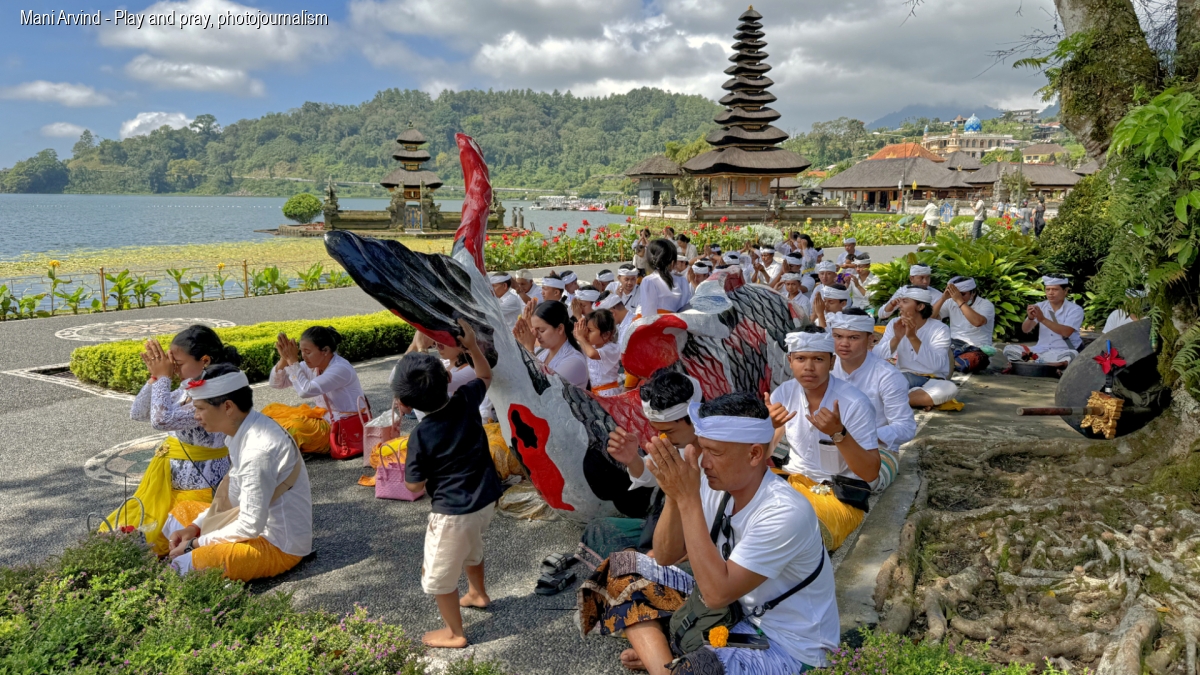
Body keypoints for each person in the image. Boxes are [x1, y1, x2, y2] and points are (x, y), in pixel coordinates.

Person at [580, 392, 838, 674]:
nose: (704, 462)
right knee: (621, 568)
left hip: (786, 644)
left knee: (698, 670)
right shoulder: (713, 481)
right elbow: (665, 555)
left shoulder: (784, 511)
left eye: (715, 452)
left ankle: (668, 659)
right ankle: (667, 665)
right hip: (728, 612)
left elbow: (717, 594)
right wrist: (674, 496)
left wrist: (688, 499)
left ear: (754, 454)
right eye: (703, 448)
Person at [392, 319, 502, 649]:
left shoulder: (421, 435)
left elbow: (414, 486)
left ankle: (455, 633)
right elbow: (485, 375)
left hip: (453, 512)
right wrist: (472, 347)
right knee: (472, 549)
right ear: (450, 378)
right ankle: (478, 593)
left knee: (439, 576)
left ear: (405, 403)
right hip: (486, 497)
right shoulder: (465, 399)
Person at [164, 363, 312, 582]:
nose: (196, 416)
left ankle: (182, 557)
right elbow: (233, 498)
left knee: (183, 565)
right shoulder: (244, 430)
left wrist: (194, 544)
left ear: (228, 407)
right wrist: (194, 529)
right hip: (250, 524)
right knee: (180, 514)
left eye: (200, 408)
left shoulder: (258, 450)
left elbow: (250, 526)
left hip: (277, 545)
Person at [114, 326, 239, 554]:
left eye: (178, 364)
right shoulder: (185, 390)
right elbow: (138, 412)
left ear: (205, 361)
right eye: (172, 363)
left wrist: (164, 378)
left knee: (157, 538)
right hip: (170, 487)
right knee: (128, 531)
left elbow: (161, 420)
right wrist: (155, 378)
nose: (173, 369)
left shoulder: (214, 395)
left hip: (202, 491)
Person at [767, 326, 881, 550]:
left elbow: (869, 473)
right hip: (793, 479)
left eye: (818, 359)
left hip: (839, 491)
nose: (808, 367)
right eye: (800, 358)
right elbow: (765, 454)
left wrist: (838, 433)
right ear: (790, 361)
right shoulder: (783, 393)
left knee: (805, 531)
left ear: (831, 362)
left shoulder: (854, 403)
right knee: (732, 494)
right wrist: (767, 428)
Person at [829, 311, 915, 489]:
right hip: (828, 442)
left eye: (853, 337)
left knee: (858, 482)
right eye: (838, 336)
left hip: (875, 448)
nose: (844, 343)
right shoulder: (825, 368)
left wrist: (858, 438)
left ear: (870, 340)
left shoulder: (887, 376)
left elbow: (906, 428)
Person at [265, 326, 368, 458]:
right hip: (323, 418)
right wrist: (284, 359)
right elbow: (276, 383)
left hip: (342, 427)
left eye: (307, 352)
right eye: (301, 351)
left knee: (294, 428)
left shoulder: (341, 368)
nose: (303, 356)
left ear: (325, 351)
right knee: (271, 411)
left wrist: (292, 361)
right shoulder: (312, 365)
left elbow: (305, 391)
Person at [873, 287, 958, 410]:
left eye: (905, 301)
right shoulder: (895, 324)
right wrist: (896, 338)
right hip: (902, 376)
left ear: (920, 307)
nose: (899, 305)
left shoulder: (940, 329)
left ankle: (893, 400)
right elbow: (877, 356)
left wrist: (912, 337)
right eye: (900, 301)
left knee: (949, 388)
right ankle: (914, 399)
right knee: (873, 379)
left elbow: (936, 366)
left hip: (931, 379)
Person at [1003, 276, 1084, 367]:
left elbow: (1066, 332)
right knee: (1009, 349)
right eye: (1048, 289)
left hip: (1063, 351)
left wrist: (1043, 319)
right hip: (1040, 350)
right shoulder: (1040, 306)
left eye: (1055, 289)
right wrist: (1030, 318)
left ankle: (1031, 363)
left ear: (1065, 291)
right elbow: (1025, 330)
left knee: (1072, 355)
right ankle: (1046, 364)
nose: (1050, 293)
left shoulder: (1075, 310)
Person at [514, 300, 590, 389]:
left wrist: (528, 349)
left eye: (541, 330)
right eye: (534, 329)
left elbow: (545, 389)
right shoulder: (543, 354)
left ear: (560, 329)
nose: (536, 335)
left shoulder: (574, 361)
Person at [637, 239, 692, 320]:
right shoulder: (682, 280)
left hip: (658, 325)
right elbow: (686, 307)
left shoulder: (649, 281)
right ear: (673, 262)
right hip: (680, 324)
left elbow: (648, 316)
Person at [575, 309, 623, 397]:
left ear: (606, 334)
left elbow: (592, 354)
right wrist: (579, 322)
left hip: (609, 393)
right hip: (597, 392)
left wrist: (581, 338)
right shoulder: (592, 346)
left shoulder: (611, 348)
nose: (586, 333)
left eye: (590, 330)